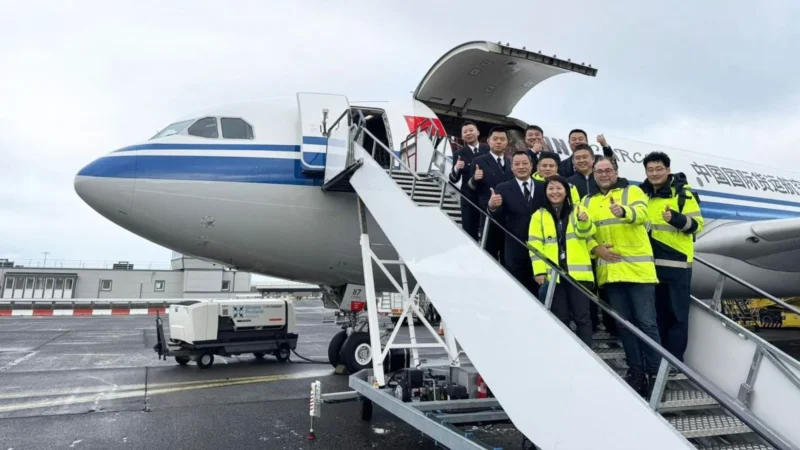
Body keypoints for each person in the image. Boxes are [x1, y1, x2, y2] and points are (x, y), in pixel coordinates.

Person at [582, 157, 661, 396]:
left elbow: (642, 214)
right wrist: (596, 249)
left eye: (608, 170)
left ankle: (655, 373)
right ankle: (636, 372)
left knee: (647, 324)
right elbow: (583, 233)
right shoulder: (587, 201)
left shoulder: (632, 192)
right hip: (611, 273)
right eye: (599, 171)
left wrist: (623, 211)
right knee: (624, 326)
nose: (604, 175)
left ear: (616, 172)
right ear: (593, 174)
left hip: (638, 272)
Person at [639, 152, 703, 364]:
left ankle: (674, 363)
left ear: (668, 170)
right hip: (649, 267)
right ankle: (656, 361)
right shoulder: (642, 195)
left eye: (659, 169)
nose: (655, 173)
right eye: (650, 170)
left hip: (677, 266)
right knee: (654, 317)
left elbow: (697, 226)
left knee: (677, 317)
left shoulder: (683, 195)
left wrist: (675, 218)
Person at [528, 176, 596, 346]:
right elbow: (535, 245)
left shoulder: (578, 209)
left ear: (566, 192)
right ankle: (566, 352)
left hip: (579, 275)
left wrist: (584, 221)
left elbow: (587, 233)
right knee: (560, 317)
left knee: (582, 317)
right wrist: (539, 271)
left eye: (559, 188)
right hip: (554, 276)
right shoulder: (539, 215)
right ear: (545, 192)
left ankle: (586, 353)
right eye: (550, 189)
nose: (555, 192)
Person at [488, 151, 547, 294]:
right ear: (512, 167)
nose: (521, 167)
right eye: (517, 164)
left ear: (532, 166)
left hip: (541, 247)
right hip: (514, 247)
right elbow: (498, 217)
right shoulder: (503, 187)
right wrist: (492, 207)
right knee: (517, 289)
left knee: (541, 290)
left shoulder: (543, 187)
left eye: (525, 163)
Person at [469, 126, 514, 261]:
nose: (498, 142)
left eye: (502, 139)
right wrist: (474, 178)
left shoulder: (511, 163)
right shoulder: (479, 161)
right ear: (488, 141)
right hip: (488, 214)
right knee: (489, 255)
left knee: (508, 257)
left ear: (507, 142)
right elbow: (470, 188)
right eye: (495, 139)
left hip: (508, 216)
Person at [449, 121, 489, 241]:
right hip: (469, 198)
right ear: (462, 136)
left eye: (471, 130)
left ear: (478, 132)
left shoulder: (488, 150)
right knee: (469, 231)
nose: (468, 133)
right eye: (465, 132)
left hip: (487, 196)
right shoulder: (459, 154)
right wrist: (456, 168)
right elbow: (453, 179)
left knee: (489, 232)